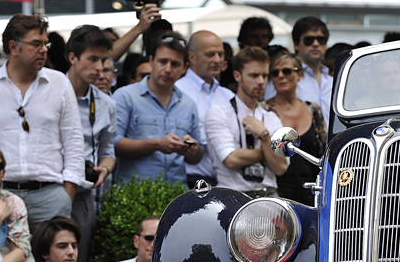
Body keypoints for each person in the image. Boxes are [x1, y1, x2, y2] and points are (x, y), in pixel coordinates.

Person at [0, 14, 86, 230]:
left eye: (45, 44)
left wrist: (68, 192)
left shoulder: (59, 82)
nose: (44, 50)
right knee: (1, 260)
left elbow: (74, 140)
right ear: (14, 47)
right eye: (36, 44)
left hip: (51, 194)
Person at [112, 32, 204, 186]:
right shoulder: (125, 96)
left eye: (175, 64)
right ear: (151, 61)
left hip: (176, 194)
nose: (168, 69)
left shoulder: (188, 104)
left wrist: (192, 150)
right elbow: (113, 145)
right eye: (162, 61)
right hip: (134, 196)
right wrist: (156, 144)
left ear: (184, 68)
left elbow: (198, 156)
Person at [66, 25, 118, 262]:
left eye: (103, 60)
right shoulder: (48, 92)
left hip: (87, 193)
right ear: (73, 57)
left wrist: (104, 170)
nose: (99, 67)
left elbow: (109, 151)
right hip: (52, 188)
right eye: (92, 59)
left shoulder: (106, 103)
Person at [205, 47, 288, 196]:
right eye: (254, 75)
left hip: (268, 196)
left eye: (264, 75)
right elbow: (231, 159)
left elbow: (281, 167)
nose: (261, 81)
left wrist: (264, 135)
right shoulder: (218, 113)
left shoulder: (271, 118)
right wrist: (268, 150)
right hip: (233, 196)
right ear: (237, 76)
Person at [264, 53, 326, 204]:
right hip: (276, 193)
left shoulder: (313, 110)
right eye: (275, 73)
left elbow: (325, 150)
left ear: (300, 75)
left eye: (286, 71)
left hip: (312, 190)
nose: (280, 76)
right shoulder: (264, 110)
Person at [178, 30, 235, 187]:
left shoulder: (228, 96)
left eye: (220, 54)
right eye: (210, 54)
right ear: (192, 57)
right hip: (188, 182)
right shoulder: (177, 92)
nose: (217, 60)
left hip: (225, 183)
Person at [266, 17, 332, 127]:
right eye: (309, 40)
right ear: (296, 44)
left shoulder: (335, 81)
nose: (315, 44)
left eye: (321, 40)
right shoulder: (281, 76)